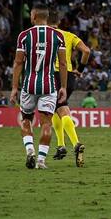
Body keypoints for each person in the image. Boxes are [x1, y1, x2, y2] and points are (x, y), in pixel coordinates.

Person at [10, 6, 68, 169]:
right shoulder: (58, 36)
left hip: (29, 85)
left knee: (26, 120)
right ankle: (41, 161)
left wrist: (14, 87)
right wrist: (63, 86)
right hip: (49, 86)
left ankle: (30, 151)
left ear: (34, 16)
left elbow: (18, 62)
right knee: (46, 124)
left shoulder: (24, 35)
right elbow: (63, 63)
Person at [47, 10, 90, 167]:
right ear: (58, 22)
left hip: (52, 75)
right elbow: (86, 51)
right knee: (56, 109)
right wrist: (81, 69)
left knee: (60, 109)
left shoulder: (44, 35)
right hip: (69, 76)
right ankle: (61, 145)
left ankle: (75, 143)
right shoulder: (70, 35)